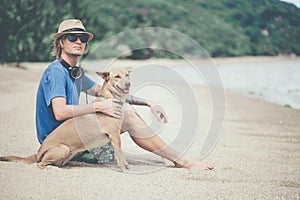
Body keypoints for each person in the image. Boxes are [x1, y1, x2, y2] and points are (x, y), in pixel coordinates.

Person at [36, 19, 214, 170]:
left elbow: (105, 92)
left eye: (82, 38)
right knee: (127, 115)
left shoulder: (75, 72)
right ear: (61, 42)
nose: (79, 41)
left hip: (79, 135)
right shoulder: (56, 72)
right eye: (72, 37)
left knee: (127, 111)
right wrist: (98, 106)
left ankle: (170, 155)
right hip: (62, 142)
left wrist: (148, 103)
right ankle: (181, 160)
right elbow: (59, 112)